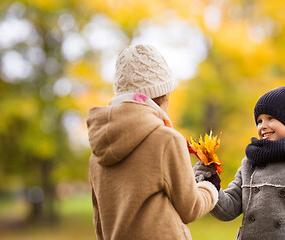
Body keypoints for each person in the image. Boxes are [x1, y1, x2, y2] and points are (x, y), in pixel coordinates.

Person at [86, 44, 218, 240]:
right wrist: (209, 187)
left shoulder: (96, 155)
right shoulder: (167, 140)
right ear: (163, 96)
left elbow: (100, 226)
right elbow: (190, 208)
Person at [194, 86, 285, 239]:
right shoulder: (249, 164)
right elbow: (228, 209)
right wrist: (211, 181)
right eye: (259, 121)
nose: (262, 125)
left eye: (270, 118)